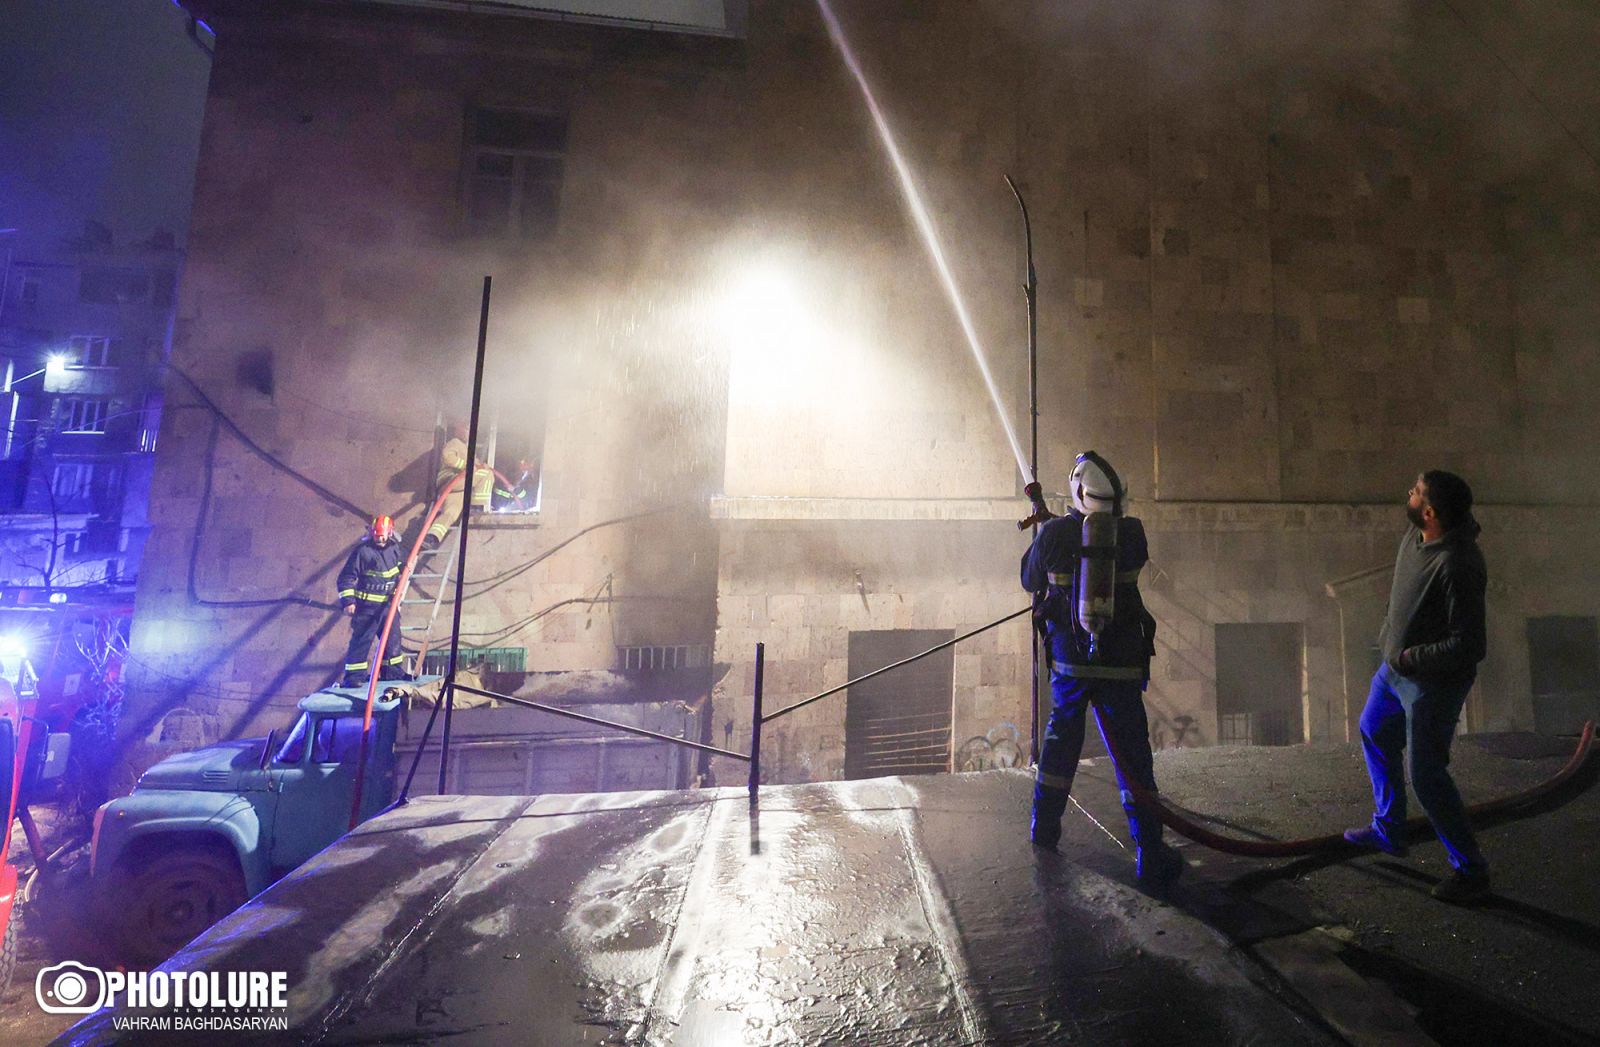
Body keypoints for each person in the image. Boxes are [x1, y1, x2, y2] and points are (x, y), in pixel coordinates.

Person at [1022, 451, 1183, 888]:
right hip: (1121, 665)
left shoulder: (1055, 534)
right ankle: (1149, 851)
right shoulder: (1133, 533)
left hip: (1071, 665)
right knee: (1132, 755)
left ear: (1077, 491)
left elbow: (1029, 579)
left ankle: (1044, 830)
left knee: (1061, 744)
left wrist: (1047, 533)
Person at [1344, 470, 1490, 903]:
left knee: (1426, 776)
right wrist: (1390, 638)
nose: (1408, 493)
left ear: (1429, 512)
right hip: (1394, 672)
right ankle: (1389, 829)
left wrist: (1409, 657)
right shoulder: (1415, 537)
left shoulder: (1458, 564)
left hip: (1432, 683)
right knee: (1374, 730)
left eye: (1416, 492)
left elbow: (1470, 645)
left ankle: (1471, 872)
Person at [337, 514, 408, 687]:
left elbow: (400, 567)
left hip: (388, 606)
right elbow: (346, 577)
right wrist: (348, 601)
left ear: (390, 533)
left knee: (392, 641)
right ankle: (354, 678)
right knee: (362, 642)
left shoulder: (395, 549)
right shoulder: (363, 552)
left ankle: (392, 673)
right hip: (367, 609)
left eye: (382, 535)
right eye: (376, 536)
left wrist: (404, 571)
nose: (380, 539)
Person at [423, 423, 494, 550]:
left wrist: (482, 465)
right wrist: (467, 466)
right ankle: (476, 507)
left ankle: (432, 537)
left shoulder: (467, 449)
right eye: (467, 429)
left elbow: (476, 465)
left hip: (458, 489)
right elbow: (447, 456)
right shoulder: (455, 442)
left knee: (450, 514)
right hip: (451, 480)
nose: (469, 433)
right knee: (487, 475)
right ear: (459, 430)